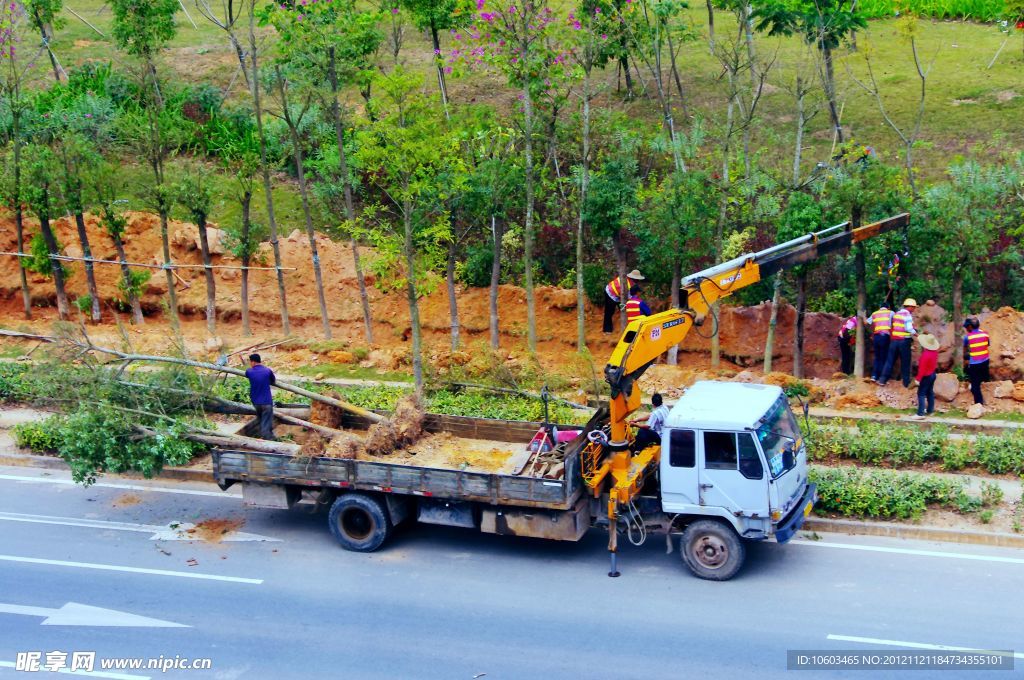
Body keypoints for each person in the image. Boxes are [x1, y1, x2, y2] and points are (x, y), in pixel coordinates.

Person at [879, 298, 918, 388]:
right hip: (903, 341)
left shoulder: (897, 314)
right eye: (914, 307)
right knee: (905, 362)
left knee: (890, 361)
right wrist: (915, 333)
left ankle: (882, 380)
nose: (914, 309)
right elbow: (908, 328)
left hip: (894, 341)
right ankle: (906, 383)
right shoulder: (907, 314)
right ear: (910, 307)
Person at [245, 353, 277, 440]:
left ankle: (268, 436)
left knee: (262, 419)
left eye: (250, 362)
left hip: (255, 402)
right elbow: (273, 381)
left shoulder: (249, 371)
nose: (250, 364)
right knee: (267, 421)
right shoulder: (267, 371)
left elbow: (248, 375)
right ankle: (267, 440)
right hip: (266, 402)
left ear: (253, 362)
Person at [603, 269, 645, 334]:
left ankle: (626, 327)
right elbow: (629, 296)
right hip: (610, 293)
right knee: (609, 311)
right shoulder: (627, 284)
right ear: (634, 278)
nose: (638, 281)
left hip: (619, 296)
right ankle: (607, 330)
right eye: (637, 279)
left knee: (624, 309)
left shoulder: (628, 280)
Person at [911, 333, 940, 420]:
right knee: (930, 392)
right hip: (933, 374)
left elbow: (922, 369)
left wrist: (918, 379)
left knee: (921, 393)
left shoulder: (925, 355)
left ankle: (920, 413)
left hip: (926, 376)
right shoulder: (934, 352)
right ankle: (930, 410)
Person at [963, 317, 990, 405]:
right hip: (985, 361)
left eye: (966, 327)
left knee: (975, 387)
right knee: (982, 378)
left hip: (975, 363)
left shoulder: (967, 337)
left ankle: (979, 403)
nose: (966, 329)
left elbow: (965, 350)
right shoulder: (985, 334)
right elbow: (987, 345)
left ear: (970, 326)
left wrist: (966, 359)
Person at [868, 303, 894, 382]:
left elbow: (867, 322)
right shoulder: (891, 313)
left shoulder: (875, 313)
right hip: (885, 337)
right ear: (888, 307)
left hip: (876, 337)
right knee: (884, 357)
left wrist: (863, 316)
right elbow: (897, 320)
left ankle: (874, 375)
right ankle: (882, 377)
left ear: (880, 307)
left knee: (877, 357)